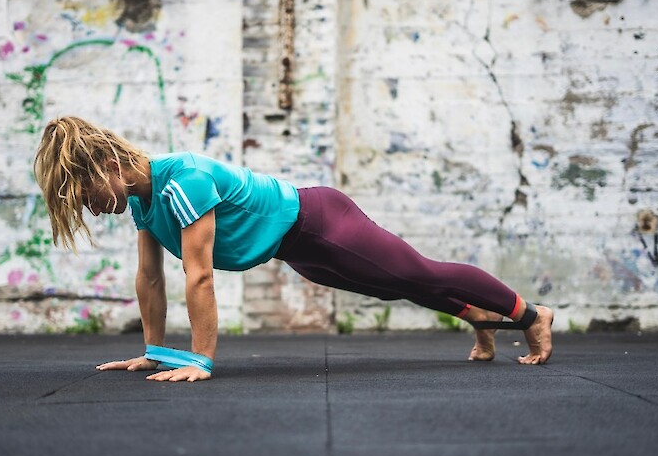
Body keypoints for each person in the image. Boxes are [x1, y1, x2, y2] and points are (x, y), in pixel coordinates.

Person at [33, 116, 553, 382]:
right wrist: (152, 352)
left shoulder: (181, 181)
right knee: (398, 286)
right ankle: (479, 318)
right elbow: (149, 279)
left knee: (422, 272)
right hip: (296, 248)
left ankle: (529, 313)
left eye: (83, 193)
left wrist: (201, 360)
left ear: (104, 164)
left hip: (321, 222)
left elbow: (199, 276)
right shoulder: (144, 202)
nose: (87, 206)